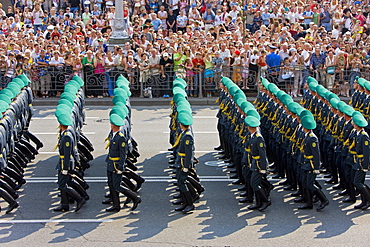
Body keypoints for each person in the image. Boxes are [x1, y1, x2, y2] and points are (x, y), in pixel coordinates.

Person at [104, 114, 141, 212]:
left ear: (112, 125)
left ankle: (135, 198)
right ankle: (116, 205)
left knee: (117, 185)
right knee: (111, 184)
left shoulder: (121, 138)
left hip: (116, 165)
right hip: (111, 163)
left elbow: (123, 154)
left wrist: (120, 167)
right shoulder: (114, 135)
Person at [53, 113, 86, 212]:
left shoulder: (66, 137)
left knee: (63, 184)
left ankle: (79, 199)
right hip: (63, 162)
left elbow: (67, 154)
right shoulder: (64, 134)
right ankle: (65, 204)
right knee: (65, 183)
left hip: (65, 163)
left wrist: (65, 168)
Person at [298, 115, 329, 211]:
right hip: (305, 162)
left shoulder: (312, 138)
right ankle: (309, 202)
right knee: (304, 182)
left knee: (310, 184)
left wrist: (316, 167)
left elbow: (316, 154)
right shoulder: (307, 136)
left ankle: (324, 199)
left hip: (310, 164)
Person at [245, 116, 272, 212]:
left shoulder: (258, 138)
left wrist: (263, 168)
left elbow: (262, 154)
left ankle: (266, 201)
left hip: (259, 165)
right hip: (254, 163)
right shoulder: (253, 137)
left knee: (254, 184)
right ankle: (258, 202)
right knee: (256, 183)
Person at [174, 113, 195, 214]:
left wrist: (186, 166)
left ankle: (190, 204)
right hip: (180, 162)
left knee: (182, 183)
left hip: (183, 163)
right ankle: (184, 202)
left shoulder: (187, 136)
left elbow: (188, 153)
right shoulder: (184, 133)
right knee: (179, 182)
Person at [352, 111, 370, 210]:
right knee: (360, 182)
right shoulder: (359, 134)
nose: (353, 124)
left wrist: (365, 165)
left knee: (357, 182)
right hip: (358, 161)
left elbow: (367, 153)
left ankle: (369, 199)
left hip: (362, 162)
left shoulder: (364, 136)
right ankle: (364, 201)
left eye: (354, 123)